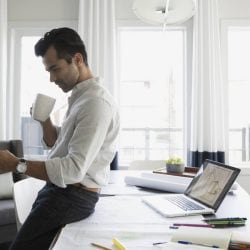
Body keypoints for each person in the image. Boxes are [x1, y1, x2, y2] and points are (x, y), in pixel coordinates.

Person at [0, 27, 120, 250]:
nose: (52, 78)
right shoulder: (80, 96)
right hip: (61, 190)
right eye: (48, 70)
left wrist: (16, 165)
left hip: (72, 196)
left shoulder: (95, 103)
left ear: (77, 59)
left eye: (55, 69)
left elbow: (74, 169)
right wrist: (44, 120)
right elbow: (59, 144)